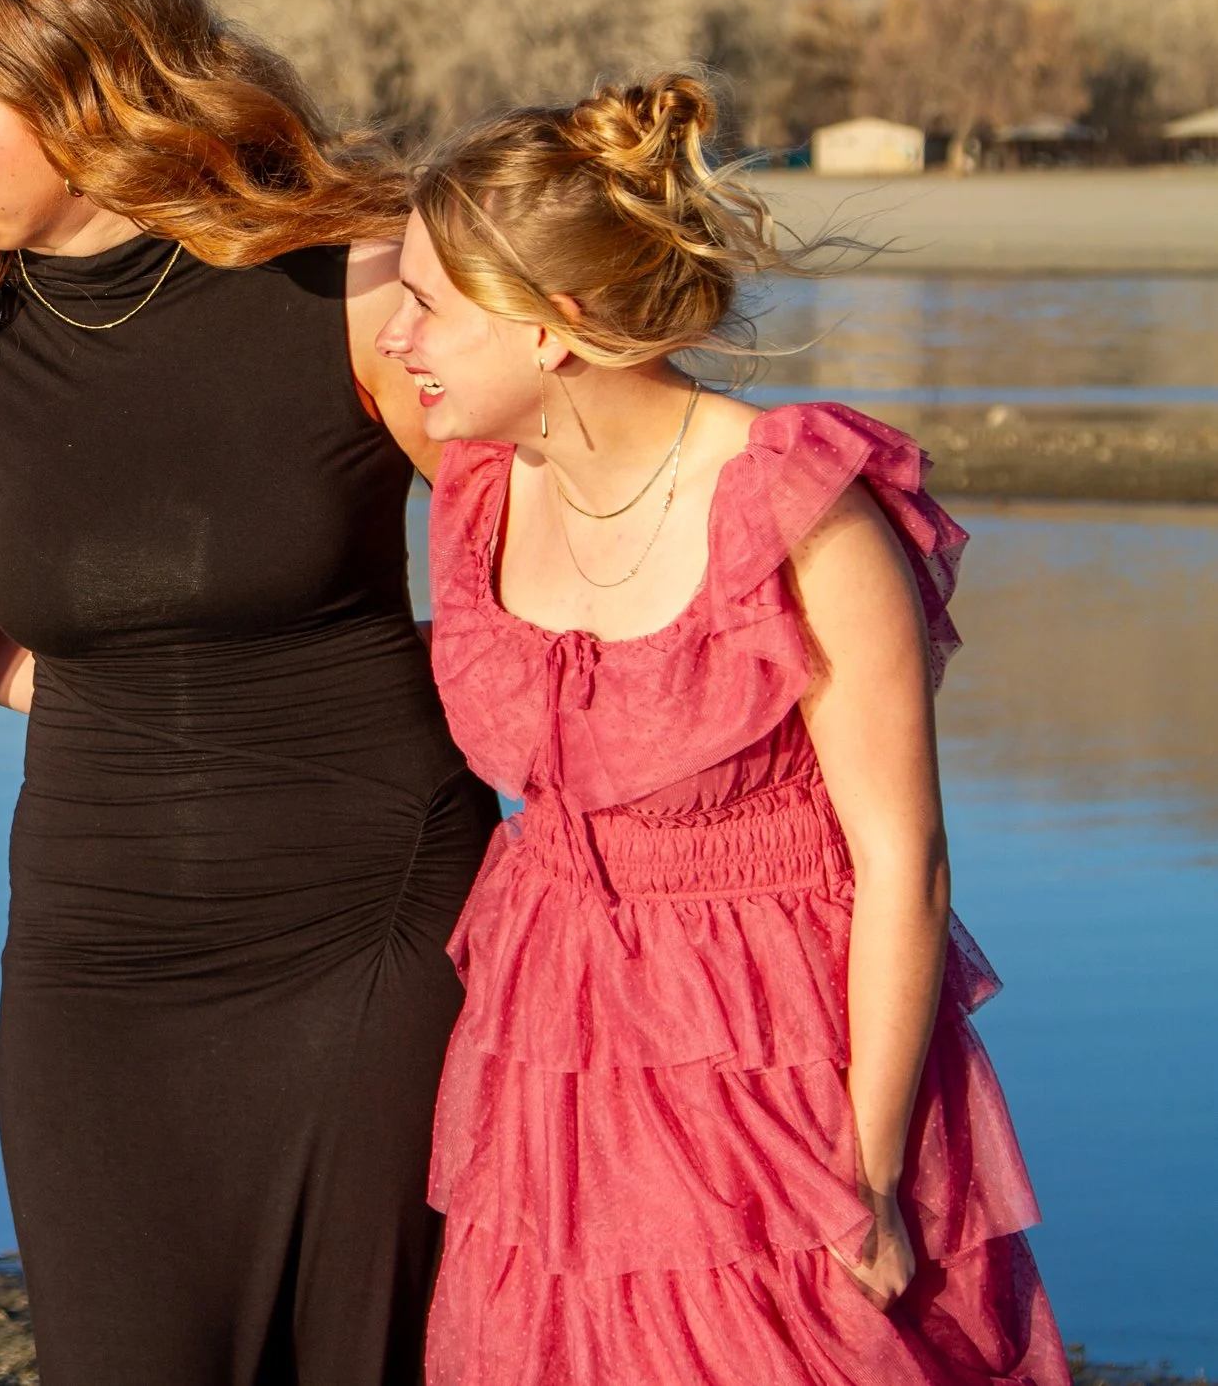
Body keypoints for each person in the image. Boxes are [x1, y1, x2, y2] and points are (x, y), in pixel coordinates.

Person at [0, 0, 501, 1385]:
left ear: (81, 103)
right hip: (96, 953)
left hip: (371, 923)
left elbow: (552, 555)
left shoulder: (357, 284)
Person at [380, 72, 1067, 1384]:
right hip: (552, 1036)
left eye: (426, 301)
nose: (396, 333)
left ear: (551, 326)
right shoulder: (474, 484)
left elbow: (902, 866)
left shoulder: (803, 515)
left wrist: (864, 1172)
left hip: (771, 1051)